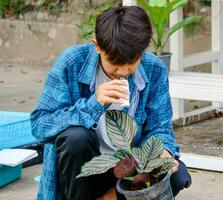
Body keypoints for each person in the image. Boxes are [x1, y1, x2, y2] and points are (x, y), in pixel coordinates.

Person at [30, 5, 191, 200]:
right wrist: (94, 104)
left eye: (132, 63)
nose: (123, 72)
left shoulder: (154, 68)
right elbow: (40, 126)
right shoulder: (72, 62)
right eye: (115, 64)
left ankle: (111, 194)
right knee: (76, 138)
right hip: (86, 168)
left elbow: (160, 127)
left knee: (177, 176)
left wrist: (163, 151)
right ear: (97, 45)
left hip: (128, 165)